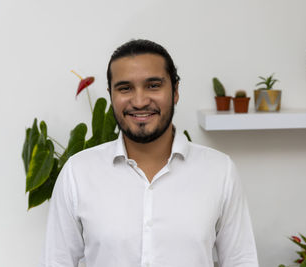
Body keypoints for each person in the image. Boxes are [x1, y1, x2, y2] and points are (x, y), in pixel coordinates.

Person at [40, 39, 259, 267]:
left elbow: (240, 261)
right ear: (111, 95)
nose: (140, 101)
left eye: (153, 85)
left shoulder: (220, 171)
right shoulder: (78, 173)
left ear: (175, 91)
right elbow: (56, 261)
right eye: (125, 88)